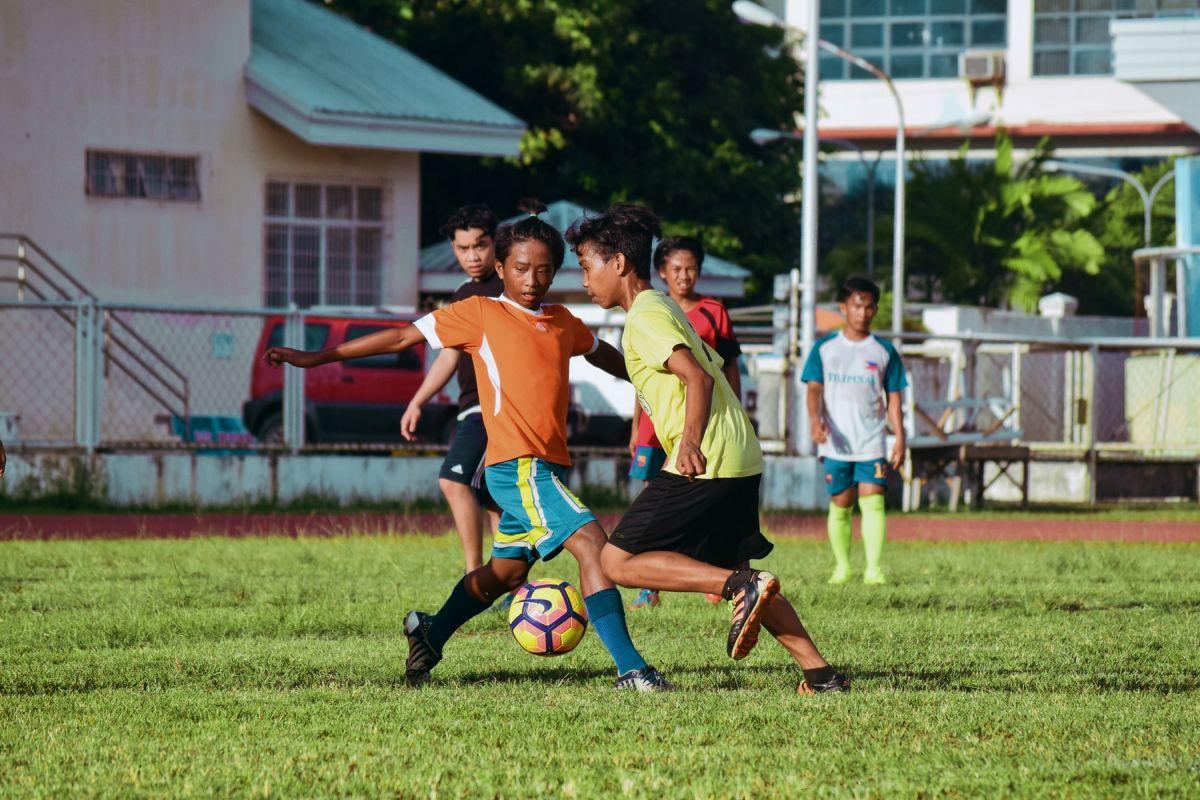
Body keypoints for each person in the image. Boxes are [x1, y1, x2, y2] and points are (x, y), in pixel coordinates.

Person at [266, 200, 672, 692]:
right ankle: (631, 670)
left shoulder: (563, 321)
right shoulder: (479, 313)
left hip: (545, 469)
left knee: (502, 574)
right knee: (592, 546)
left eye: (544, 271)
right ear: (501, 268)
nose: (531, 280)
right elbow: (399, 338)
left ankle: (430, 632)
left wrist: (661, 373)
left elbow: (607, 356)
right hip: (518, 468)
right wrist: (318, 357)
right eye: (521, 268)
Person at [569, 203, 850, 693]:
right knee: (747, 576)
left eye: (586, 265)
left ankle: (736, 588)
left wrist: (690, 445)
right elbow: (678, 367)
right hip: (740, 454)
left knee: (615, 561)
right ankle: (820, 674)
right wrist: (595, 354)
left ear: (618, 263)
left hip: (707, 458)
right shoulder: (663, 307)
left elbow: (695, 378)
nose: (584, 279)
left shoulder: (644, 317)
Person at [628, 236, 742, 610]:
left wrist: (736, 410)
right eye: (676, 269)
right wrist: (635, 428)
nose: (684, 275)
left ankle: (713, 572)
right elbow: (641, 377)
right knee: (651, 499)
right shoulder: (651, 311)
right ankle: (650, 585)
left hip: (697, 423)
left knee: (701, 496)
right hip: (654, 425)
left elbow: (726, 368)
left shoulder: (712, 311)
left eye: (690, 268)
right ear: (661, 272)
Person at [399, 204, 503, 575]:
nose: (472, 256)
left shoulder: (512, 288)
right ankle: (503, 581)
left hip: (494, 409)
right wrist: (418, 401)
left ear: (495, 243)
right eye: (463, 249)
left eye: (480, 245)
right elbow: (448, 356)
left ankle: (475, 577)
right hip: (470, 408)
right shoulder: (462, 293)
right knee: (494, 497)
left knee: (453, 479)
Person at [801, 276, 907, 586]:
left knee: (873, 499)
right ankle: (842, 568)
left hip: (872, 440)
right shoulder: (825, 348)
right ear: (843, 307)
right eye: (857, 306)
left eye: (869, 307)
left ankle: (874, 570)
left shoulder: (885, 351)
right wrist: (814, 420)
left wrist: (899, 437)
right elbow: (813, 390)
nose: (863, 313)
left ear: (875, 310)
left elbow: (895, 398)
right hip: (835, 442)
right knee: (841, 502)